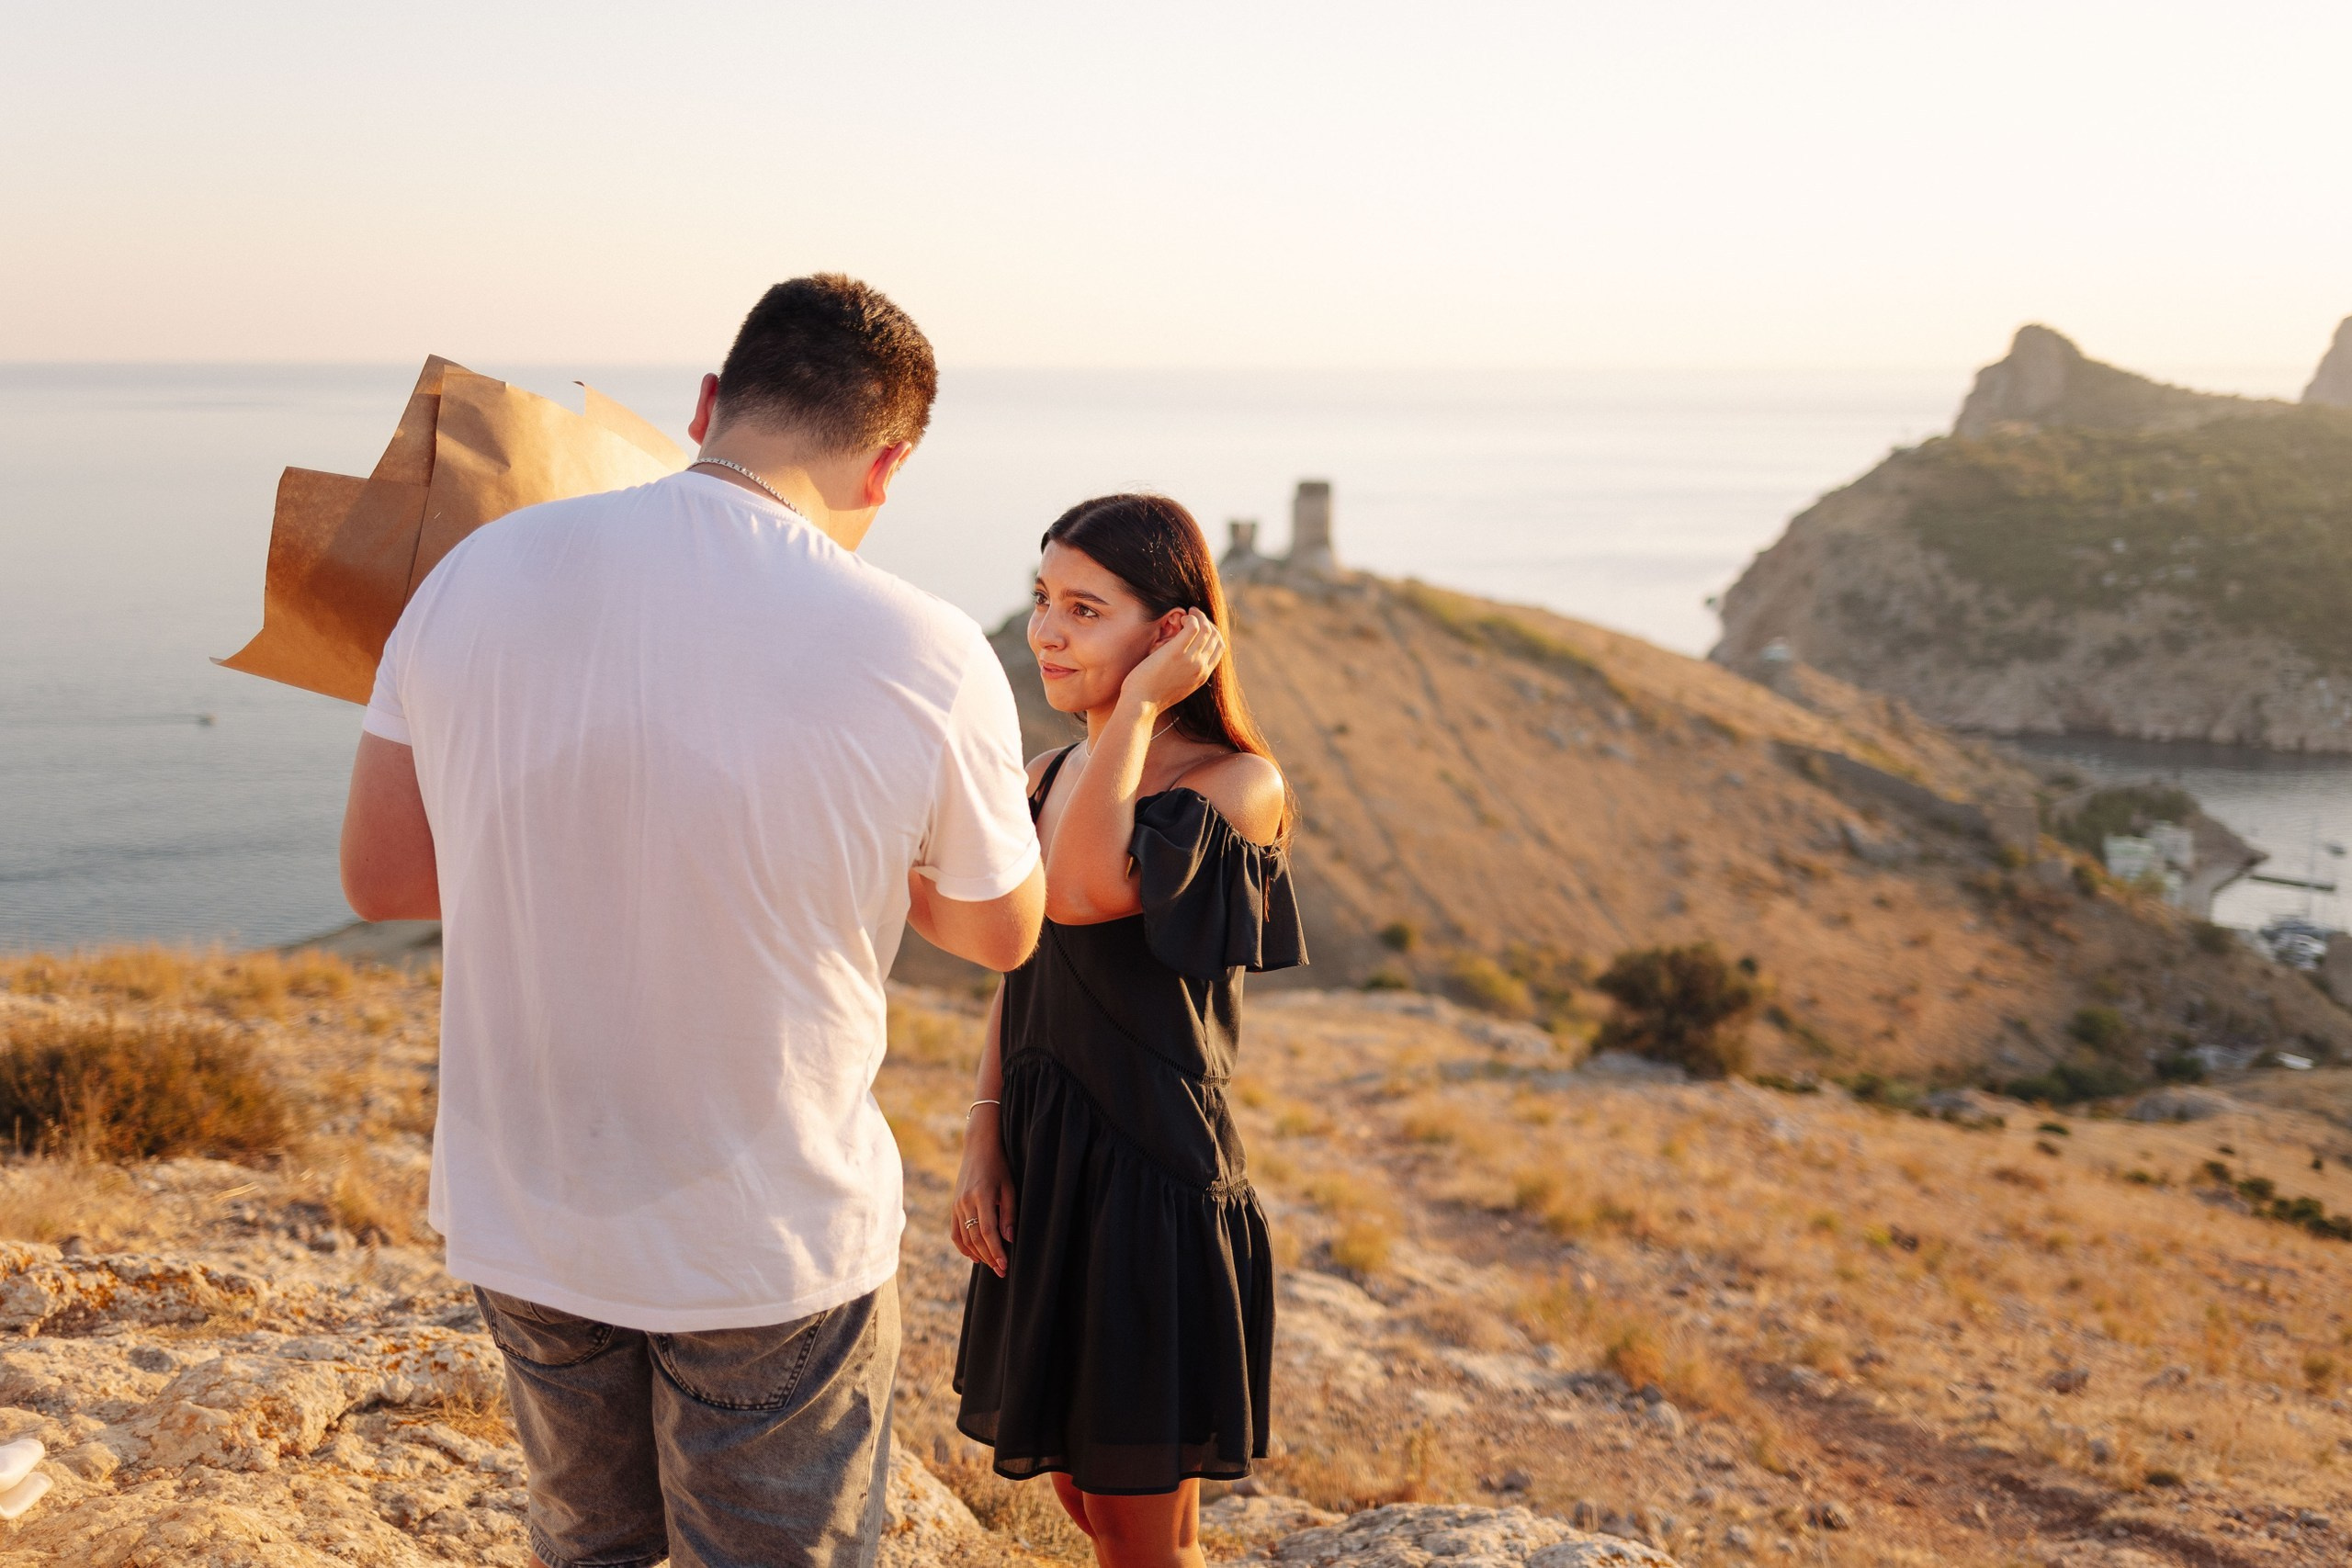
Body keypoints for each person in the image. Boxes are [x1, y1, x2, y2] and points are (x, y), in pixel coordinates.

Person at [339, 275, 1046, 1568]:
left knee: (585, 1546)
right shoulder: (929, 649)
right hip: (769, 1233)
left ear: (710, 403)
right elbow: (1002, 931)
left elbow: (382, 876)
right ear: (888, 464)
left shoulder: (471, 571)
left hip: (530, 1203)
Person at [949, 494, 1306, 1568]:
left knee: (1133, 1539)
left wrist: (1141, 712)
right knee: (1086, 1495)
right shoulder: (1049, 777)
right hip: (1051, 1173)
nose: (1046, 633)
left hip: (1152, 1186)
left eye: (1085, 609)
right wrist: (983, 1139)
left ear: (1170, 636)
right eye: (1042, 600)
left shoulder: (1235, 787)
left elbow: (1077, 890)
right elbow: (1018, 963)